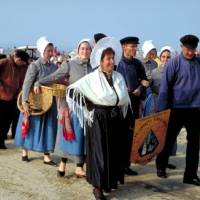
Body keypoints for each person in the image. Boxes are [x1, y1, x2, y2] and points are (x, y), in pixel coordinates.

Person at [66, 37, 130, 200]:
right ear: (101, 61)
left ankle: (108, 182)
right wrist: (89, 105)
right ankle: (97, 188)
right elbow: (72, 91)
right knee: (99, 154)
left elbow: (123, 99)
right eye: (108, 58)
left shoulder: (118, 77)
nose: (111, 61)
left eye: (112, 58)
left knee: (113, 153)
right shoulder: (93, 78)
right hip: (98, 120)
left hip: (115, 119)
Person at [34, 39, 92, 177]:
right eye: (82, 48)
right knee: (68, 136)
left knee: (83, 138)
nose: (85, 51)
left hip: (87, 108)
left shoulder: (93, 67)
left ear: (91, 51)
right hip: (70, 108)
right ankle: (63, 164)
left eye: (87, 48)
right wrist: (39, 82)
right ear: (78, 50)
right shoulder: (69, 64)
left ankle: (79, 167)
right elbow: (55, 76)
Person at [156, 35, 200, 186]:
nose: (190, 53)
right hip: (176, 108)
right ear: (182, 47)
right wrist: (162, 110)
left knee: (194, 143)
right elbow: (164, 88)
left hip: (195, 109)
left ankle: (190, 175)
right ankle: (161, 166)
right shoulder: (173, 63)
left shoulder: (199, 63)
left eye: (193, 50)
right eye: (188, 49)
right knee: (168, 139)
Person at [15, 37, 58, 165]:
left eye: (52, 50)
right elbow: (27, 84)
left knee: (48, 129)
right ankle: (24, 151)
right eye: (48, 51)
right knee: (29, 126)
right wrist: (24, 102)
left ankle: (46, 155)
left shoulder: (54, 66)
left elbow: (56, 80)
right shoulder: (35, 65)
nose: (51, 53)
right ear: (42, 51)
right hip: (34, 102)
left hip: (49, 102)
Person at [117, 36, 149, 175]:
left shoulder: (137, 64)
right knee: (119, 135)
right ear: (124, 46)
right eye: (132, 46)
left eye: (136, 46)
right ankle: (117, 166)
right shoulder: (116, 63)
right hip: (119, 105)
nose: (135, 49)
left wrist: (140, 90)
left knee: (130, 135)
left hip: (134, 103)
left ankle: (126, 165)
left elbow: (145, 81)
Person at [0, 50, 29, 149]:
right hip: (2, 97)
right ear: (18, 59)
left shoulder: (21, 67)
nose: (23, 64)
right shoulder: (5, 62)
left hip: (14, 98)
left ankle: (1, 141)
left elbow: (23, 80)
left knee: (8, 121)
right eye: (22, 62)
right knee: (1, 120)